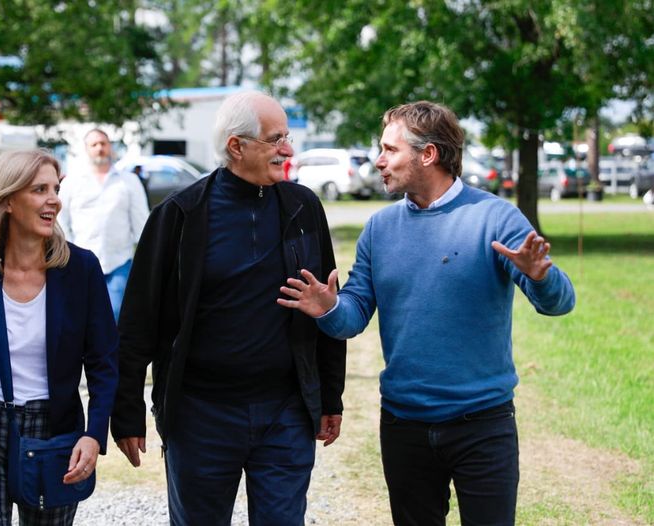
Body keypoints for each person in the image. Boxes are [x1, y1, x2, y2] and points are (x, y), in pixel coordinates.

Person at [278, 101, 576, 525]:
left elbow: (560, 304)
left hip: (483, 426)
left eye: (389, 150)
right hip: (404, 426)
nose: (379, 161)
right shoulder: (379, 230)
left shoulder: (496, 218)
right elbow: (353, 317)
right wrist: (328, 308)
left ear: (428, 154)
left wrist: (542, 277)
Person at [111, 91, 347, 525]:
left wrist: (330, 396)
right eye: (276, 139)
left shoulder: (303, 208)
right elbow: (138, 322)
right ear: (237, 146)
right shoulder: (179, 215)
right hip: (201, 415)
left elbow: (325, 304)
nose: (288, 150)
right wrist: (125, 413)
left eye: (287, 137)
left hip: (285, 413)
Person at [0, 150, 118, 525]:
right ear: (8, 202)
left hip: (52, 431)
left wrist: (94, 435)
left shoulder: (81, 269)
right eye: (39, 189)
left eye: (55, 188)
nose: (54, 200)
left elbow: (104, 363)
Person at [58, 129, 149, 321]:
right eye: (94, 144)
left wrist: (147, 261)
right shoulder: (72, 182)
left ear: (110, 147)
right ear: (86, 149)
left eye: (103, 143)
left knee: (114, 317)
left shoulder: (129, 181)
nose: (100, 148)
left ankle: (112, 352)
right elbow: (61, 220)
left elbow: (142, 223)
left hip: (118, 262)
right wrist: (68, 253)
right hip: (80, 263)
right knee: (81, 317)